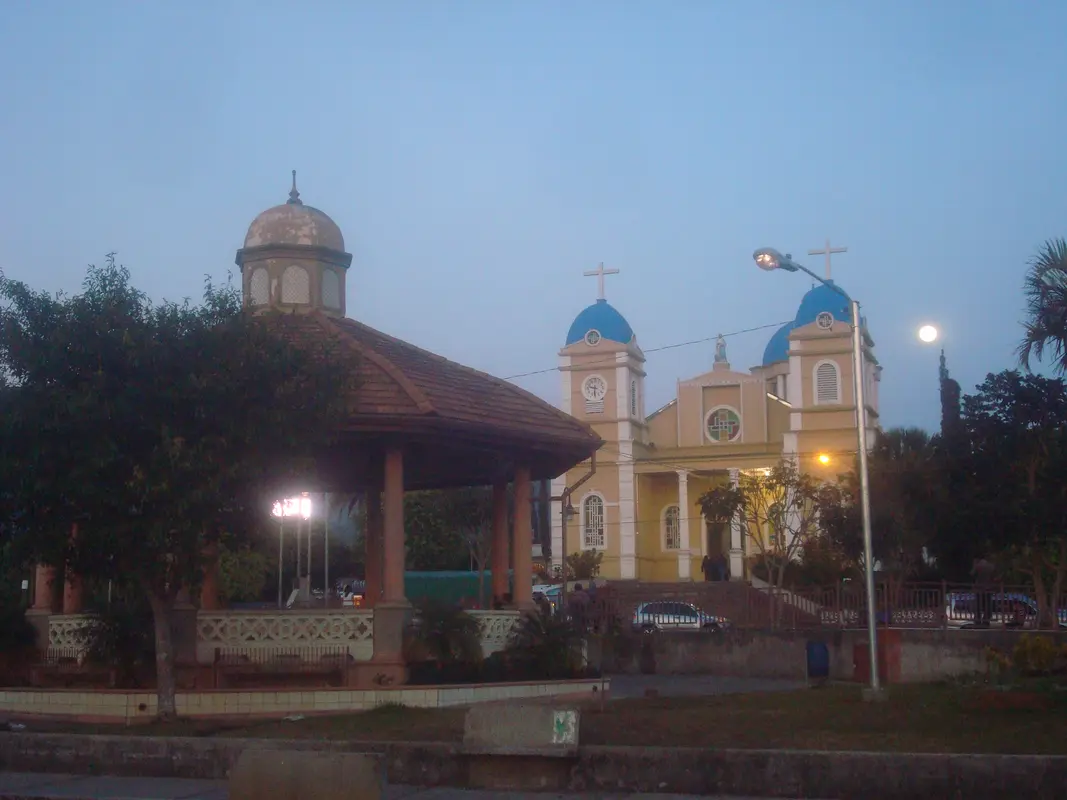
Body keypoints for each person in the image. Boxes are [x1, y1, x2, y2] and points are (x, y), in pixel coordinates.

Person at [971, 557, 995, 627]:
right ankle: (986, 620)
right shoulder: (991, 565)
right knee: (987, 605)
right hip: (988, 587)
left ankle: (978, 619)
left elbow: (972, 573)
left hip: (979, 587)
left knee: (978, 605)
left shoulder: (978, 565)